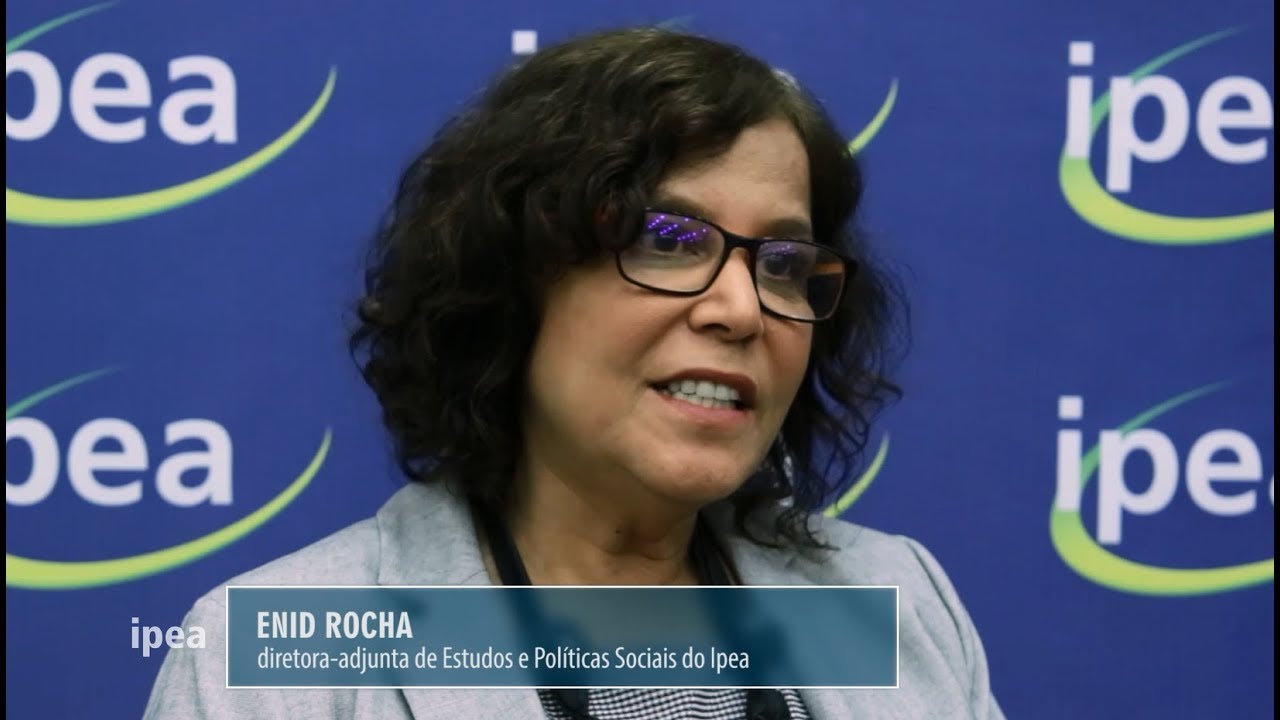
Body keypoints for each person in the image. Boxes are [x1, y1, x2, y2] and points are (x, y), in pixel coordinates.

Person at [145, 27, 1005, 720]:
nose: (743, 309)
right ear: (513, 282)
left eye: (783, 263)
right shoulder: (271, 661)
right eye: (669, 240)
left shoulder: (897, 602)